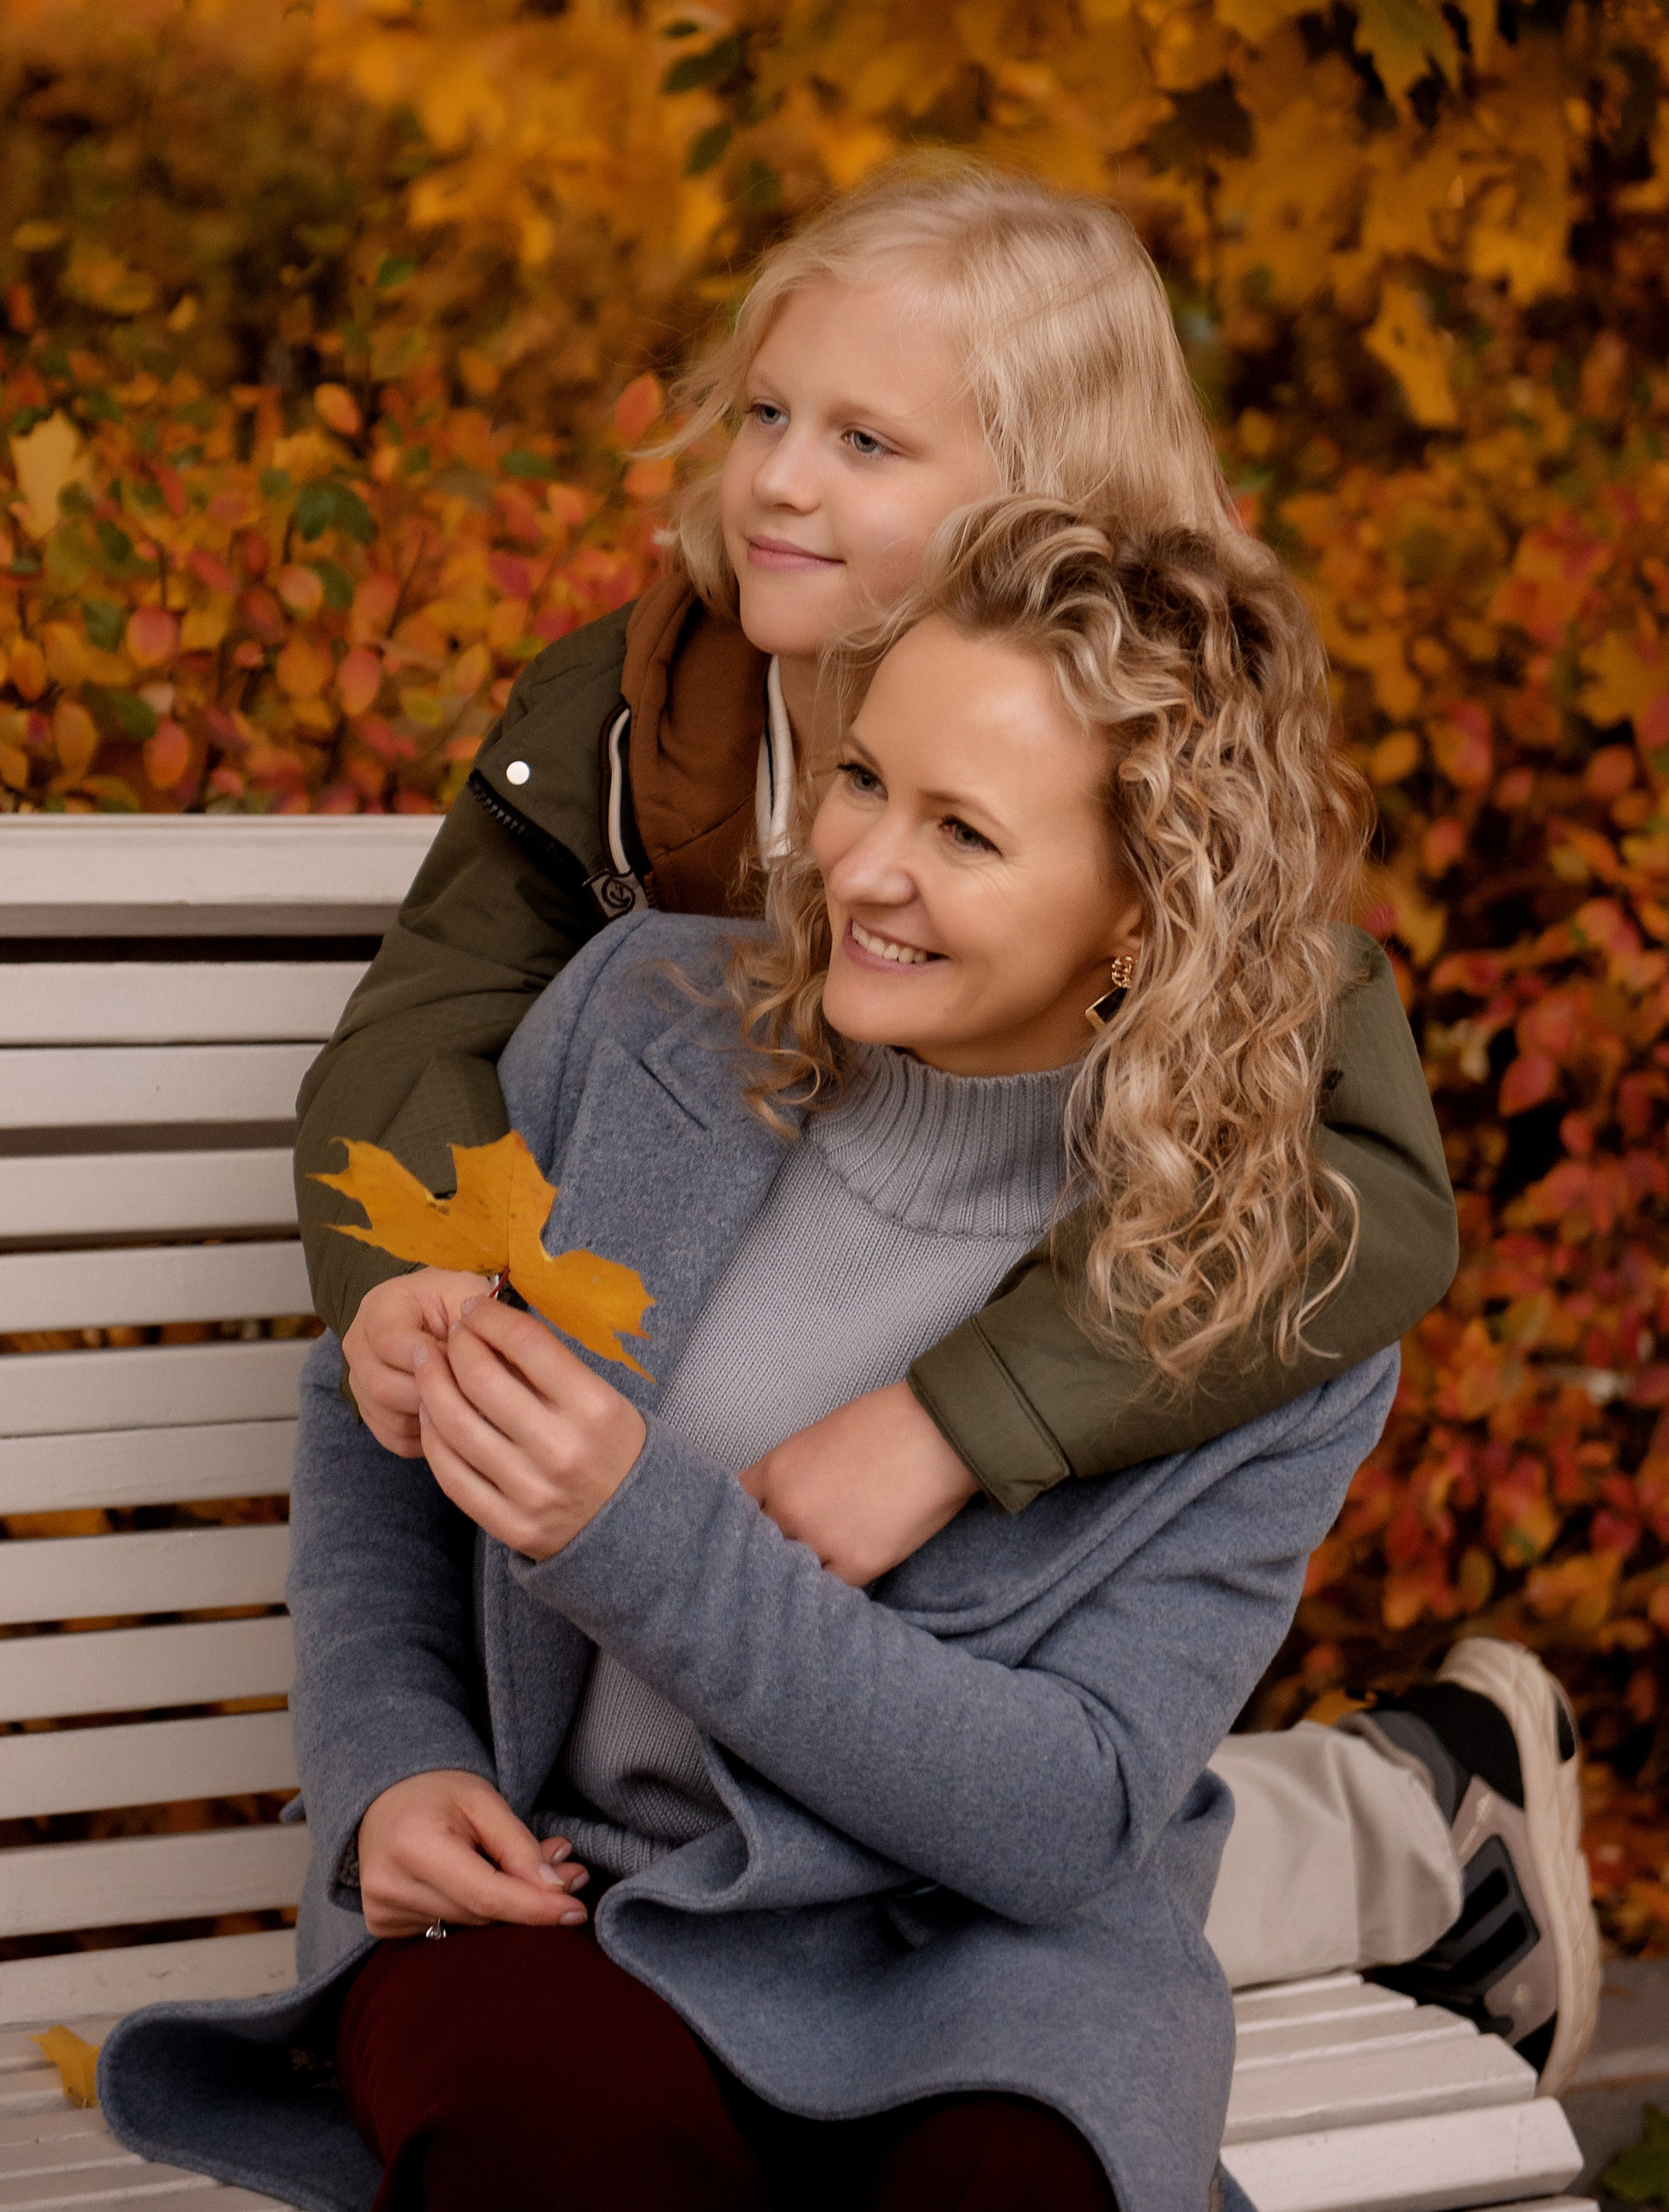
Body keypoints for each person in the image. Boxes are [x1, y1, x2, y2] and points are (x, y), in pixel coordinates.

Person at [98, 505, 1589, 2212]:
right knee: (554, 2152)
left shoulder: (1258, 1292)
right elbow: (375, 1420)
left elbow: (1066, 1809)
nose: (863, 865)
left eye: (963, 832)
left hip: (975, 1962)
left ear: (1141, 909)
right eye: (865, 779)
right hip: (564, 1897)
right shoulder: (636, 1021)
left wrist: (636, 1534)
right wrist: (393, 1764)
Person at [297, 154, 1458, 1575]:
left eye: (866, 444)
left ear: (1044, 494)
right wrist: (416, 1270)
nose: (777, 480)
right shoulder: (636, 711)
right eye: (767, 413)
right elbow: (430, 1016)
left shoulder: (1141, 753)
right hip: (665, 1413)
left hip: (1002, 1448)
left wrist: (951, 1424)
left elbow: (1361, 1189)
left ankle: (1385, 1778)